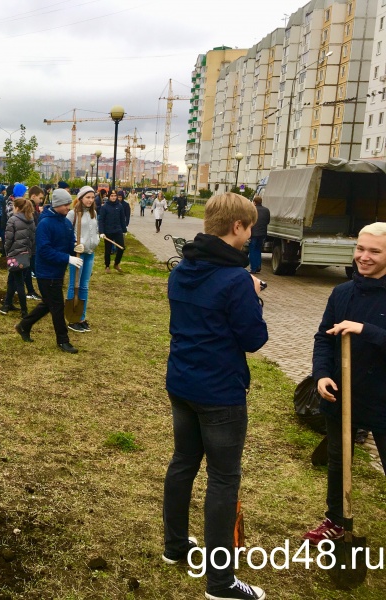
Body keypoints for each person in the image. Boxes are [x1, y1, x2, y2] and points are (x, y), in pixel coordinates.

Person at [162, 192, 267, 600]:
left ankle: (175, 546)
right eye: (249, 227)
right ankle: (221, 582)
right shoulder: (236, 279)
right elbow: (254, 339)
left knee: (183, 462)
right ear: (237, 227)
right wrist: (253, 295)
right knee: (223, 479)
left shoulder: (182, 270)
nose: (250, 235)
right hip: (220, 393)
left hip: (182, 384)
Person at [302, 222, 386, 546]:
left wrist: (365, 330)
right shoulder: (342, 293)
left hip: (382, 398)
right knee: (339, 461)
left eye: (374, 251)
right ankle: (336, 520)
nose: (363, 257)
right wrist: (321, 374)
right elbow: (323, 338)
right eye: (360, 248)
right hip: (342, 396)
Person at [15, 188, 83, 353]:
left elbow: (68, 243)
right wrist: (67, 258)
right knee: (57, 306)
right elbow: (44, 250)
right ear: (58, 204)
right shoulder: (45, 224)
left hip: (58, 271)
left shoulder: (66, 222)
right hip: (46, 273)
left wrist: (75, 247)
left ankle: (24, 325)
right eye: (66, 204)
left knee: (48, 303)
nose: (69, 207)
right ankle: (63, 340)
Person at [66, 186, 100, 333]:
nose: (90, 200)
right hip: (77, 255)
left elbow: (95, 231)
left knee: (85, 286)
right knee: (75, 285)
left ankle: (81, 317)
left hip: (89, 253)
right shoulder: (73, 214)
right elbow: (66, 234)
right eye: (88, 197)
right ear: (80, 198)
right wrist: (74, 244)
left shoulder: (94, 213)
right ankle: (72, 318)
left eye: (92, 198)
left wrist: (97, 239)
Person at [0, 196, 36, 317]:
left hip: (14, 255)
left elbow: (8, 240)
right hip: (25, 256)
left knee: (19, 282)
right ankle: (7, 304)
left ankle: (24, 310)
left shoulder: (12, 220)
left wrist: (7, 252)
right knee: (12, 279)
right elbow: (32, 239)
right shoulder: (31, 220)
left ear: (17, 208)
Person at [98, 189, 130, 273]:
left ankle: (116, 264)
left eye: (115, 196)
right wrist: (101, 232)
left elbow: (122, 219)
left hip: (118, 230)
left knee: (121, 248)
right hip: (108, 231)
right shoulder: (104, 207)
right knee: (108, 250)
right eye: (112, 196)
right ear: (109, 196)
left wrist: (124, 230)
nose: (113, 197)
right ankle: (107, 266)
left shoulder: (119, 206)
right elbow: (101, 220)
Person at [24, 185, 44, 300]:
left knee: (27, 268)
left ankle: (28, 289)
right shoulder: (29, 208)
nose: (41, 201)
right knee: (30, 267)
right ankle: (30, 290)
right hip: (30, 244)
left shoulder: (34, 208)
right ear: (33, 196)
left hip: (31, 243)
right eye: (40, 198)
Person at [248, 196, 270, 274]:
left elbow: (249, 222)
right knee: (258, 250)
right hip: (262, 233)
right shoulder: (266, 210)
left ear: (254, 202)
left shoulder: (252, 210)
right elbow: (267, 221)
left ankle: (253, 268)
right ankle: (258, 266)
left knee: (252, 250)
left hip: (253, 234)